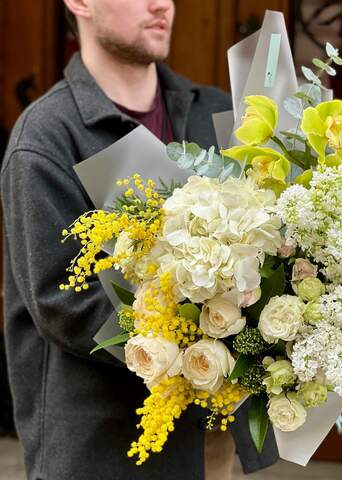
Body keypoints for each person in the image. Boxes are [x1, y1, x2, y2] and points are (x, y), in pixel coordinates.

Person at [0, 1, 279, 478]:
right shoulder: (46, 137)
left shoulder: (217, 112)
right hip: (102, 449)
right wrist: (201, 340)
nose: (162, 4)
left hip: (210, 441)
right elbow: (63, 303)